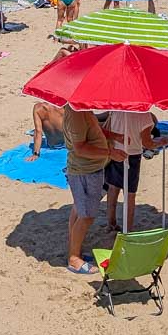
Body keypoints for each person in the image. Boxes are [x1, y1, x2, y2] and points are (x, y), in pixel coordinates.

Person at [62, 103, 115, 274]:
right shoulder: (77, 114)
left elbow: (93, 131)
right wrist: (110, 153)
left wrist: (115, 136)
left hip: (88, 170)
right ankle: (74, 259)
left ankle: (75, 250)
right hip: (85, 171)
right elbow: (80, 148)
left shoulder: (82, 110)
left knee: (80, 210)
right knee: (87, 216)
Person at [103, 110, 168, 232]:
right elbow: (147, 143)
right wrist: (161, 142)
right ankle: (127, 229)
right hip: (132, 156)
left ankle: (111, 223)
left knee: (113, 189)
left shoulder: (116, 109)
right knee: (130, 194)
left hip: (115, 153)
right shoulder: (145, 116)